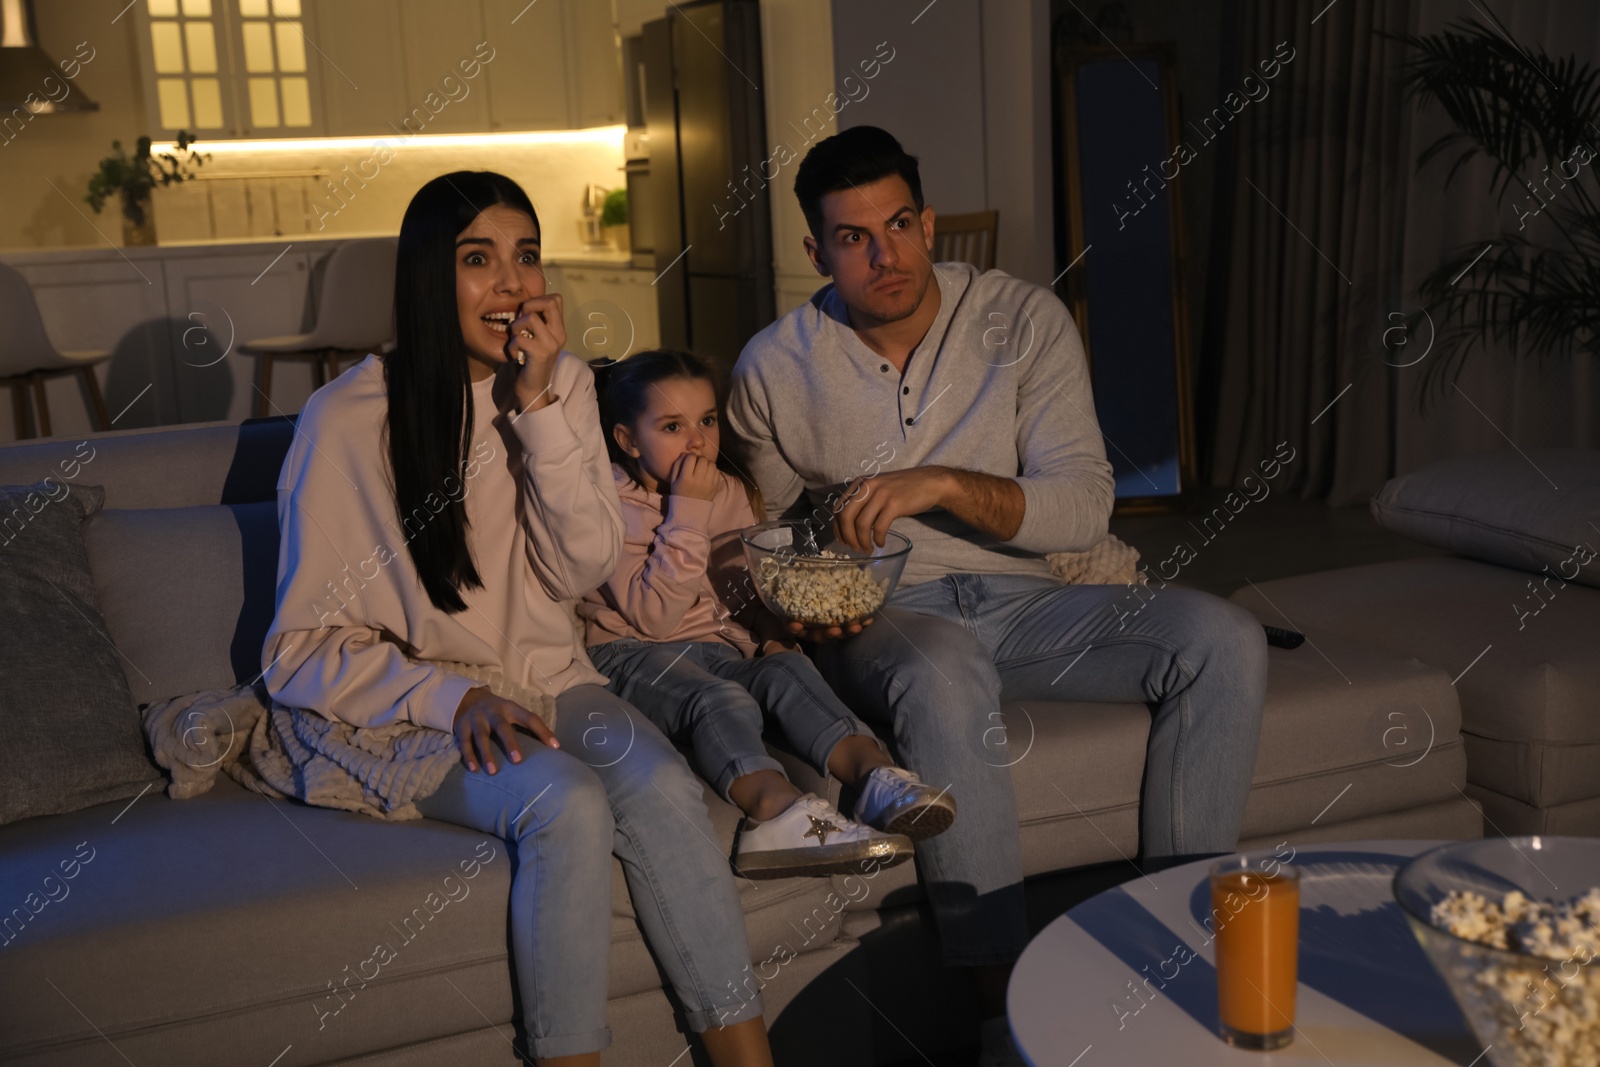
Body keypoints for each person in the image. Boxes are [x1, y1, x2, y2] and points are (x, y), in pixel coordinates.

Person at [725, 127, 1269, 1067]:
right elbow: (759, 536)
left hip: (1030, 599)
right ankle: (1000, 1015)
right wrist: (800, 605)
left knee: (1223, 635)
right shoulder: (774, 366)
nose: (885, 253)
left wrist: (937, 481)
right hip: (893, 615)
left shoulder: (1023, 321)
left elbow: (1082, 506)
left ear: (928, 220)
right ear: (815, 253)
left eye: (899, 224)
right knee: (944, 671)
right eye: (853, 237)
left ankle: (1176, 958)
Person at [263, 172, 775, 1067]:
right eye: (477, 259)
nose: (510, 284)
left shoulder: (564, 385)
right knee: (566, 800)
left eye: (526, 257)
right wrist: (448, 700)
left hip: (548, 677)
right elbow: (299, 650)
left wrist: (539, 406)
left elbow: (577, 567)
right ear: (429, 276)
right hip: (409, 711)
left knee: (658, 787)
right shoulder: (345, 419)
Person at [580, 348, 957, 879]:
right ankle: (774, 812)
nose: (698, 441)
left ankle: (876, 779)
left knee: (789, 669)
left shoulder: (727, 491)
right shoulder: (607, 508)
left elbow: (739, 591)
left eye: (707, 421)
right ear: (626, 440)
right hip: (634, 653)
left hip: (719, 644)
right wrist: (688, 507)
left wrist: (770, 627)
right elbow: (656, 618)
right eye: (671, 426)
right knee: (719, 696)